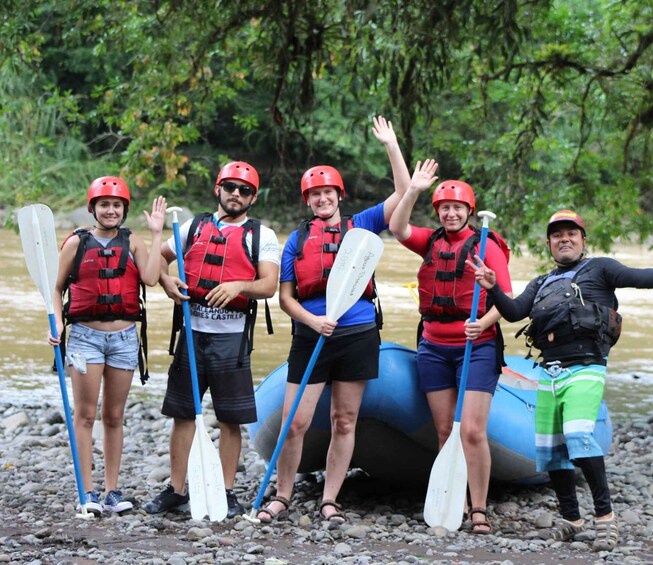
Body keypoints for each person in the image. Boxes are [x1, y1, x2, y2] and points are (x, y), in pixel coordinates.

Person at [468, 208, 653, 550]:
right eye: (557, 235)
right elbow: (512, 312)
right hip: (549, 372)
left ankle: (605, 519)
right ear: (550, 245)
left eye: (571, 233)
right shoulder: (540, 283)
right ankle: (571, 519)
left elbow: (639, 276)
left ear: (583, 240)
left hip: (586, 368)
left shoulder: (600, 269)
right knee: (551, 451)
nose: (564, 239)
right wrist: (493, 289)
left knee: (579, 436)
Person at [256, 116, 408, 524]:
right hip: (311, 336)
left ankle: (330, 499)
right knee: (294, 422)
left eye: (328, 192)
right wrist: (312, 319)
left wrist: (391, 145)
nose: (322, 199)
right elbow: (285, 298)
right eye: (315, 194)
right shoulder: (297, 240)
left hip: (358, 334)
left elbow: (403, 191)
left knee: (344, 420)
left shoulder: (364, 225)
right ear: (308, 201)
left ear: (339, 195)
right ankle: (283, 496)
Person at [142, 161, 280, 519]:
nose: (236, 194)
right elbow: (159, 261)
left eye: (244, 190)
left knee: (230, 419)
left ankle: (226, 489)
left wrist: (239, 285)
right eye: (230, 187)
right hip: (192, 335)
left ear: (253, 197)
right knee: (183, 414)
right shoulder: (193, 226)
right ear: (218, 189)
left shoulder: (260, 235)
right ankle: (176, 489)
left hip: (231, 341)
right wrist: (166, 280)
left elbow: (269, 285)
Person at [388, 160, 513, 534]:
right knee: (445, 431)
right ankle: (453, 499)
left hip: (478, 347)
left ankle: (479, 508)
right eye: (444, 207)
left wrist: (482, 323)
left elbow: (507, 299)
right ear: (438, 212)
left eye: (458, 207)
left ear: (469, 212)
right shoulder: (430, 241)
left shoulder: (486, 246)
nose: (451, 212)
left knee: (472, 431)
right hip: (433, 347)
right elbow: (396, 227)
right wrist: (413, 190)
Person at [50, 177, 166, 515]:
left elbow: (149, 278)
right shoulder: (75, 244)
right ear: (93, 208)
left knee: (114, 416)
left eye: (117, 205)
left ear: (124, 209)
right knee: (85, 416)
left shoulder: (135, 243)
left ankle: (112, 491)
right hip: (85, 338)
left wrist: (157, 232)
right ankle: (86, 493)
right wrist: (56, 320)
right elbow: (56, 289)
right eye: (104, 204)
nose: (111, 210)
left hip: (124, 340)